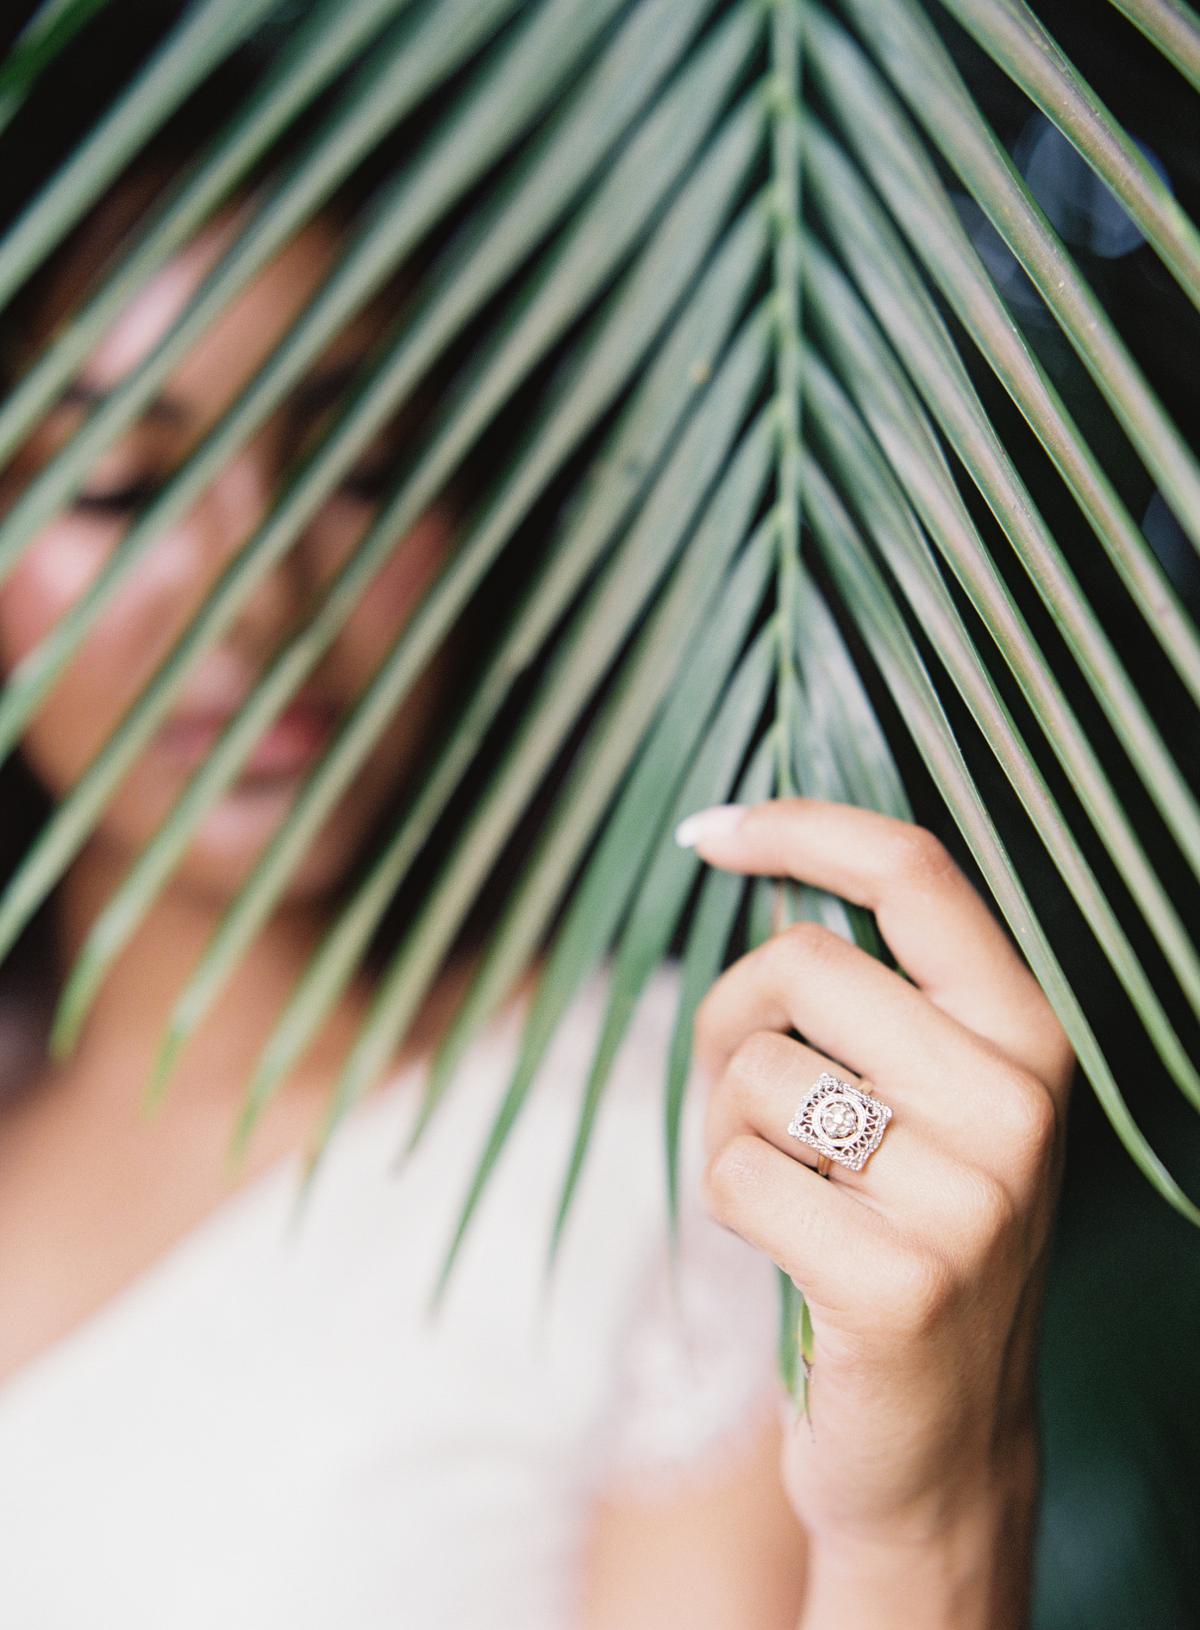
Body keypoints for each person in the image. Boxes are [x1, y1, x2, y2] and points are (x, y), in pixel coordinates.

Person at [0, 55, 1075, 1630]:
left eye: (358, 456)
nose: (257, 592)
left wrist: (935, 1519)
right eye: (119, 480)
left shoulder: (669, 1143)